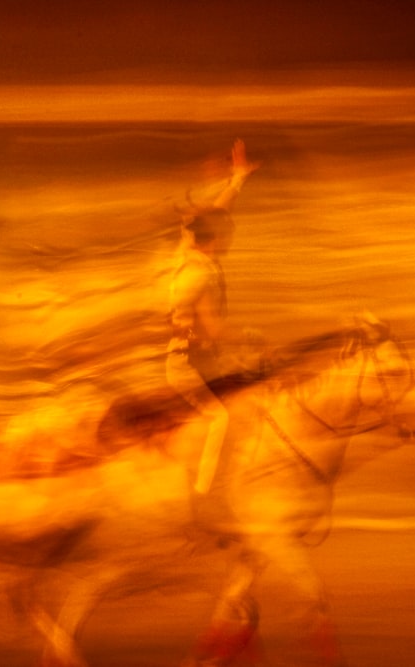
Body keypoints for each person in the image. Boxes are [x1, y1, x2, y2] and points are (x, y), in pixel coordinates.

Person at [167, 139, 259, 499]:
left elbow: (217, 213)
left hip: (206, 359)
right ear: (217, 237)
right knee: (221, 418)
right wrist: (249, 337)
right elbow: (214, 329)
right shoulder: (199, 274)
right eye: (226, 231)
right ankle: (206, 494)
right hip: (186, 364)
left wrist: (236, 180)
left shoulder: (193, 252)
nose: (231, 232)